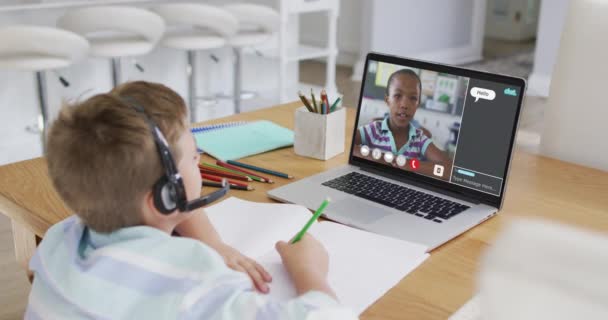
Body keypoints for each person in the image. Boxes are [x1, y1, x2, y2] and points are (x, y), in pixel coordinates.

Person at [25, 81, 354, 319]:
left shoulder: (60, 241)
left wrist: (216, 243)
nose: (199, 162)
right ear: (166, 195)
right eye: (195, 157)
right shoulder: (191, 279)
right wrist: (310, 271)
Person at [355, 69, 449, 165]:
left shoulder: (419, 139)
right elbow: (347, 143)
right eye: (398, 95)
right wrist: (374, 158)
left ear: (418, 104)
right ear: (387, 100)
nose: (404, 105)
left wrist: (408, 165)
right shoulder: (373, 130)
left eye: (413, 98)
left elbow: (447, 166)